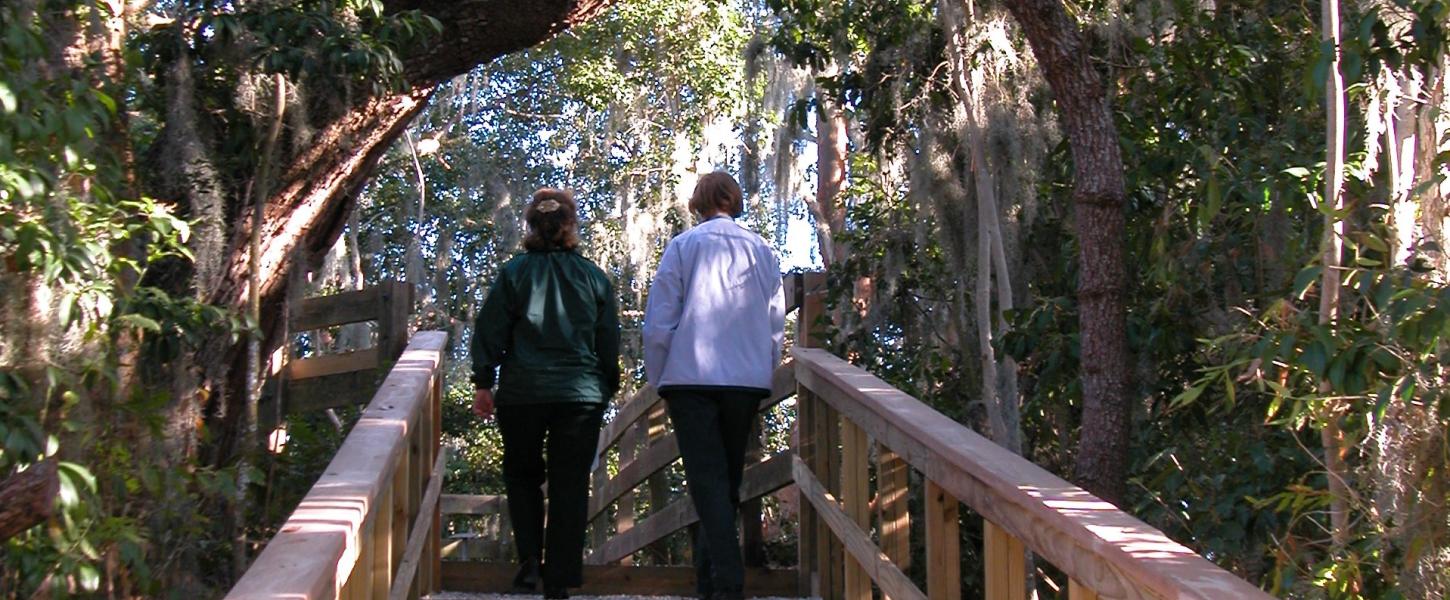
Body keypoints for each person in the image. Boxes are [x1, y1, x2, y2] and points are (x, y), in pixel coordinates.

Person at [471, 188, 620, 600]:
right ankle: (559, 580)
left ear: (530, 226)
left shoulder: (514, 273)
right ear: (571, 225)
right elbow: (608, 339)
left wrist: (484, 382)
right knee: (570, 483)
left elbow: (490, 332)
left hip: (523, 394)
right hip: (580, 395)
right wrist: (607, 382)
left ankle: (529, 562)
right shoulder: (593, 276)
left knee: (522, 477)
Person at [642, 172, 785, 600]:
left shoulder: (684, 247)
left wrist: (660, 378)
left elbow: (660, 321)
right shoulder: (761, 250)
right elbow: (775, 321)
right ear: (734, 201)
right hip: (744, 381)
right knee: (724, 484)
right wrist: (765, 367)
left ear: (699, 202)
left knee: (707, 481)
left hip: (690, 379)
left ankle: (729, 583)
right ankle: (710, 584)